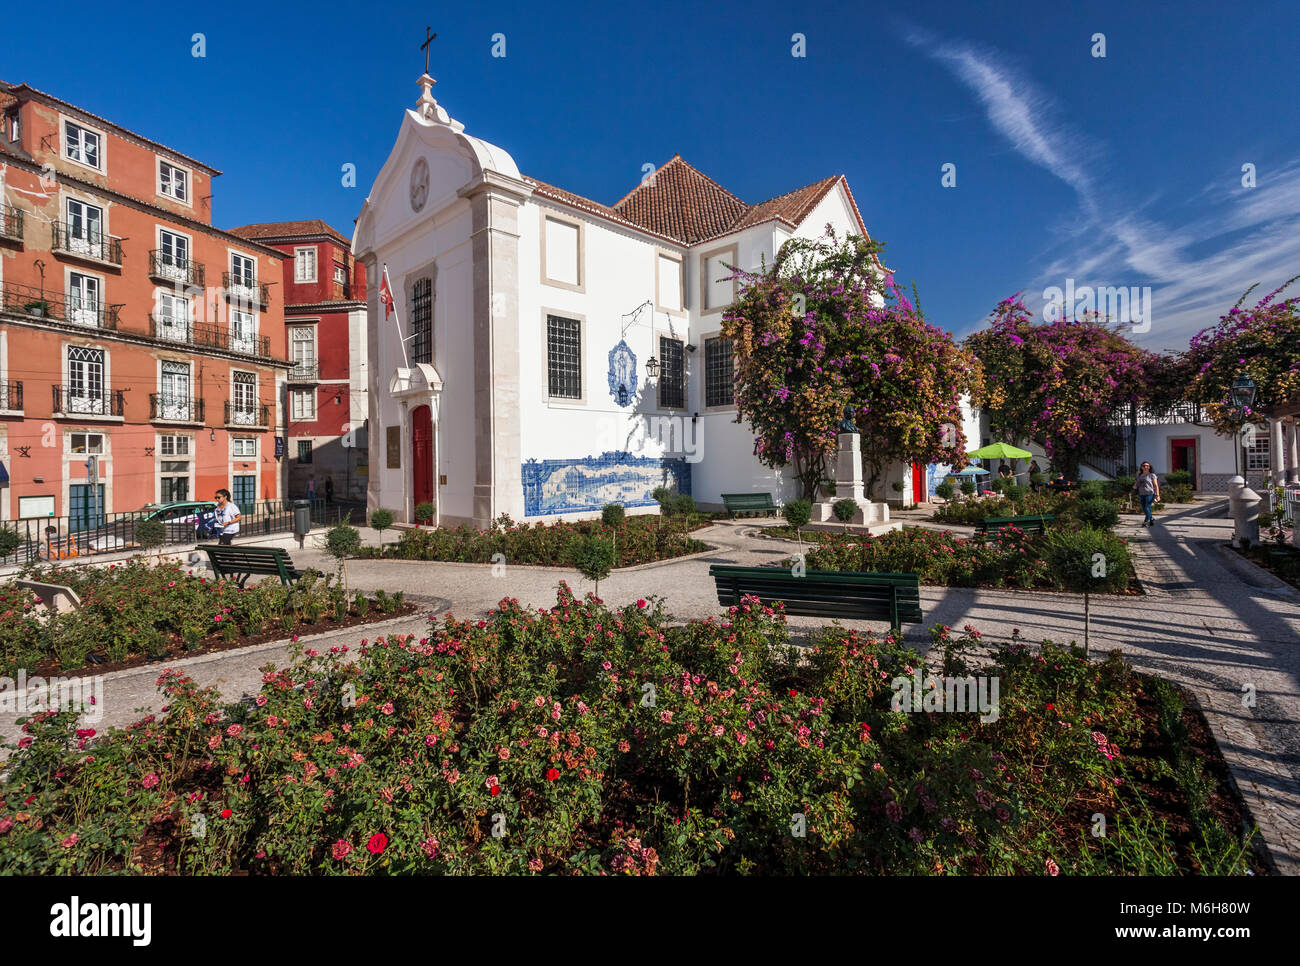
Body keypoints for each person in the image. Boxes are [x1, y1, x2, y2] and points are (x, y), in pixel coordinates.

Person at [1134, 461, 1161, 528]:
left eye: (1147, 466)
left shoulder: (1152, 475)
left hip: (1149, 493)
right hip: (1141, 493)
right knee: (1144, 508)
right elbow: (1136, 484)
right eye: (1144, 466)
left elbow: (1156, 485)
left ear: (1149, 467)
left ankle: (1146, 521)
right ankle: (1151, 518)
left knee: (1147, 507)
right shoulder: (1139, 475)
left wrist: (1157, 495)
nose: (1146, 467)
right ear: (1141, 467)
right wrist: (1134, 487)